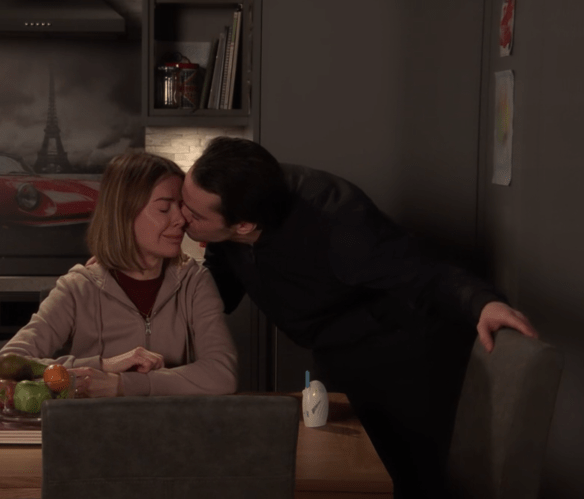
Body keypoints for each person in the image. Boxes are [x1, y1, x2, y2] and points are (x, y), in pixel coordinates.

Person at [179, 136, 538, 498]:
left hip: (401, 357)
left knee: (403, 476)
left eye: (193, 214)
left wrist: (483, 303)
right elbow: (220, 286)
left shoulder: (338, 224)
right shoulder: (233, 203)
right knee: (333, 467)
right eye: (181, 201)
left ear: (243, 225)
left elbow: (425, 273)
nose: (181, 215)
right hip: (330, 349)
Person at [0, 151, 238, 398]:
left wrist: (121, 384)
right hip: (94, 431)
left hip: (172, 431)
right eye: (164, 209)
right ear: (124, 214)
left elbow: (222, 373)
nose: (180, 220)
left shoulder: (194, 281)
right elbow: (0, 372)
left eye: (180, 207)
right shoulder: (78, 288)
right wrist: (103, 366)